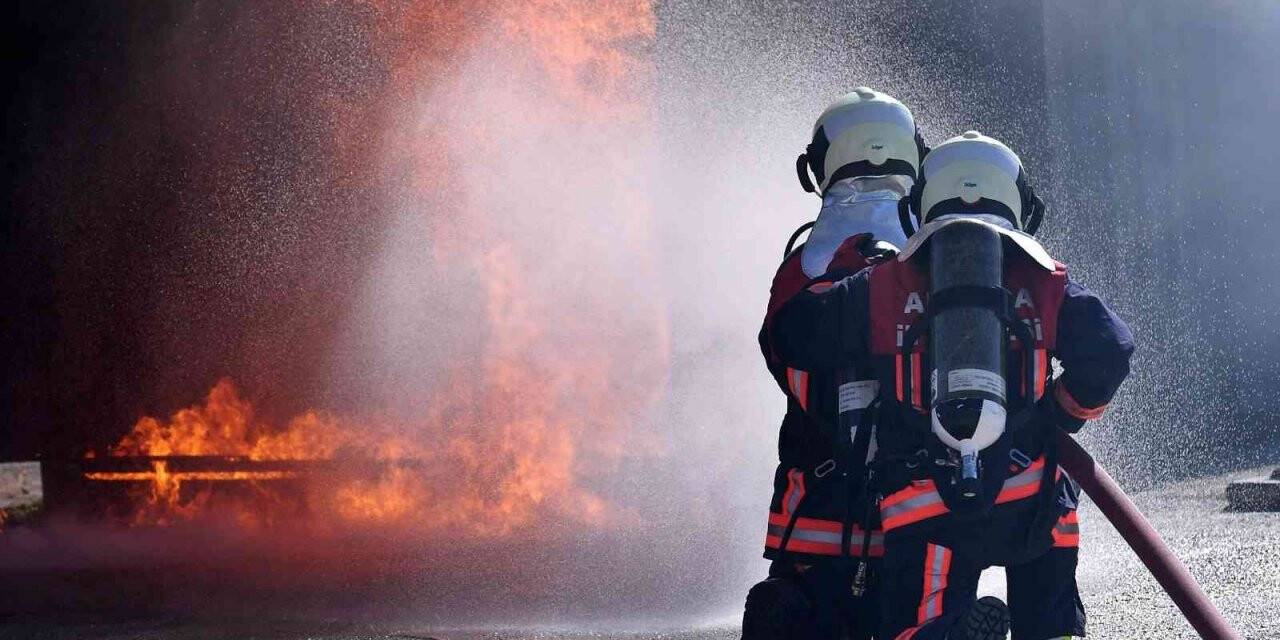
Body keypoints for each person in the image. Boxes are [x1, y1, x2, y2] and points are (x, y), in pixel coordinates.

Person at [769, 131, 1134, 640]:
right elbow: (1111, 347)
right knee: (1049, 613)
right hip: (1030, 494)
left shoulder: (884, 284)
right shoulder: (1043, 279)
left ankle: (951, 631)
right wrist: (1060, 415)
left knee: (922, 622)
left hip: (926, 505)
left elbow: (794, 337)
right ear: (1019, 203)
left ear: (919, 206)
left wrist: (851, 281)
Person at [744, 87, 928, 640]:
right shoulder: (937, 259)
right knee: (925, 615)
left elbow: (779, 353)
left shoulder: (802, 270)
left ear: (819, 167)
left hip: (814, 524)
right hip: (918, 515)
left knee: (785, 614)